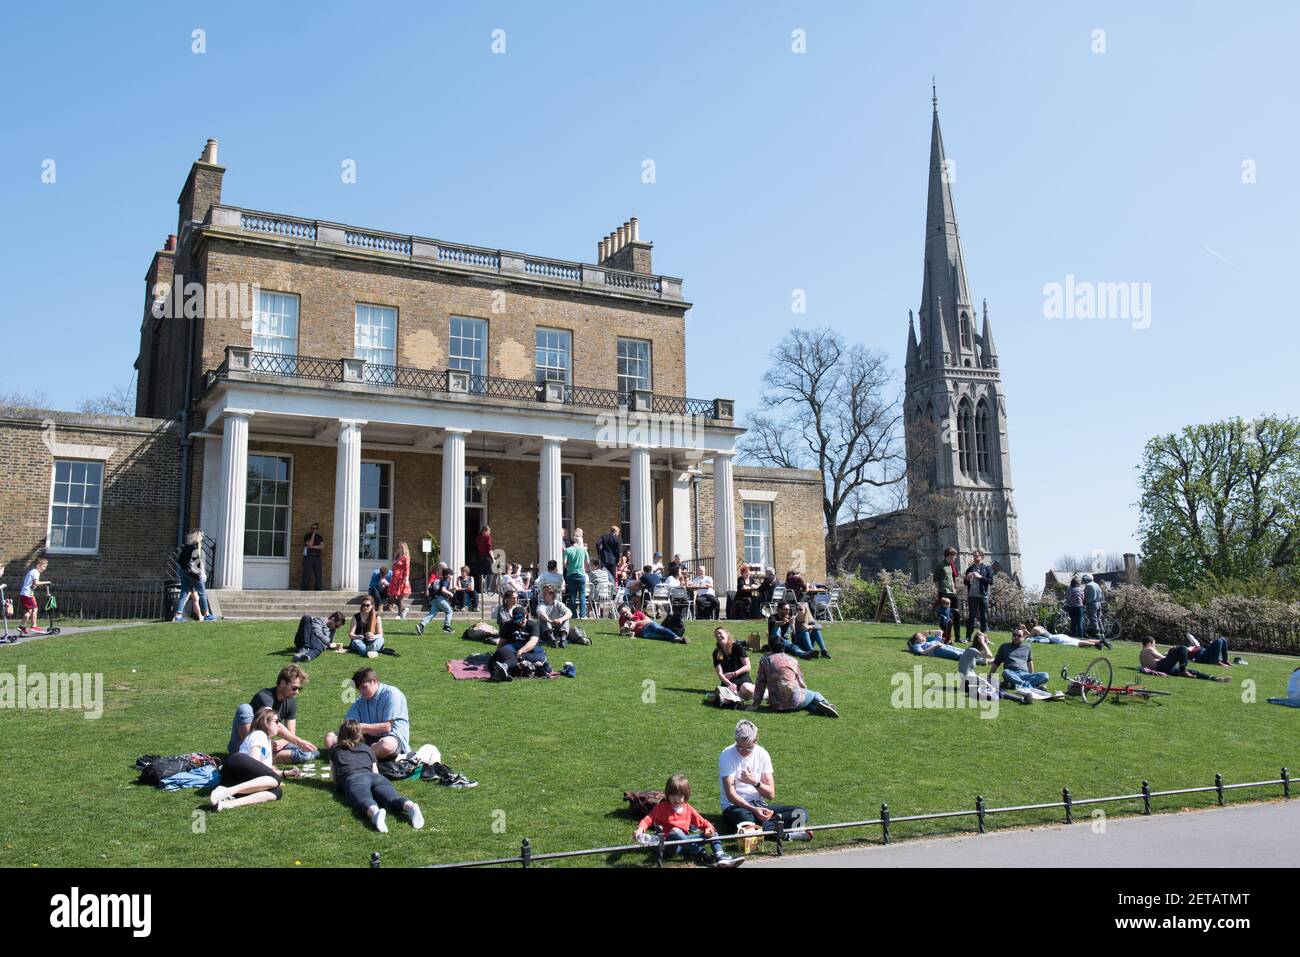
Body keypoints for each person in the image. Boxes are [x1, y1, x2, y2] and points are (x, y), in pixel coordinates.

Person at [719, 719, 813, 839]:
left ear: (756, 740)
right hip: (735, 807)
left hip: (759, 804)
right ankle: (788, 834)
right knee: (746, 819)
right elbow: (731, 795)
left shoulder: (762, 754)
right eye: (739, 747)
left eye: (748, 748)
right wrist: (753, 809)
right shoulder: (726, 755)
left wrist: (754, 782)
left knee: (800, 813)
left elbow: (770, 794)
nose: (743, 752)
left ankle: (762, 828)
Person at [329, 719, 424, 833]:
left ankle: (375, 813)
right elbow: (375, 771)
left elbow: (335, 777)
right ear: (359, 734)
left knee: (363, 799)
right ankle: (410, 806)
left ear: (341, 733)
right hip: (375, 778)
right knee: (393, 798)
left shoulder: (335, 749)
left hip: (354, 779)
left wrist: (340, 786)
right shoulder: (367, 748)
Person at [634, 773, 743, 867]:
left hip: (685, 843)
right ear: (668, 794)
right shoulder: (662, 807)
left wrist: (708, 829)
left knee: (712, 831)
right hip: (669, 846)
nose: (676, 799)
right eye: (673, 795)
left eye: (680, 795)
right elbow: (648, 819)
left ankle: (720, 855)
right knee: (676, 831)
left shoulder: (688, 808)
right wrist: (640, 830)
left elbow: (702, 822)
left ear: (685, 796)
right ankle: (702, 854)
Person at [227, 665, 319, 765]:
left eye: (299, 689)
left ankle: (266, 757)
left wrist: (283, 742)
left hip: (265, 743)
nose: (296, 692)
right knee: (244, 708)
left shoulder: (290, 702)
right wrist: (299, 741)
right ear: (283, 683)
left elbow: (291, 733)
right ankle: (248, 755)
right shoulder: (265, 696)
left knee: (312, 751)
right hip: (243, 743)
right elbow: (271, 721)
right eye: (294, 688)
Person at [210, 708, 293, 811]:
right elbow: (255, 760)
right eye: (276, 721)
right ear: (265, 723)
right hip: (236, 763)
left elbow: (264, 769)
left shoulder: (267, 740)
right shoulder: (259, 734)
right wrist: (276, 778)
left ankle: (228, 804)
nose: (279, 725)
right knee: (275, 780)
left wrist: (285, 773)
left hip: (238, 778)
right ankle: (228, 791)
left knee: (277, 792)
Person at [324, 667, 409, 760]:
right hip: (367, 739)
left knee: (386, 745)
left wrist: (360, 727)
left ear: (374, 681)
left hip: (391, 738)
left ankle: (354, 758)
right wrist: (350, 727)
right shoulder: (361, 700)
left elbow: (386, 728)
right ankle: (359, 756)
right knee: (330, 738)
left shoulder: (392, 694)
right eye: (359, 689)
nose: (361, 692)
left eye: (364, 687)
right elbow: (348, 722)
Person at [751, 632, 839, 717]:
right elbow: (801, 682)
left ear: (770, 647)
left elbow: (760, 683)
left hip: (776, 704)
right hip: (794, 701)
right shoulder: (792, 660)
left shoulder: (765, 660)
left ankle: (819, 710)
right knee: (815, 694)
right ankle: (826, 704)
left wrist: (756, 704)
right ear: (784, 647)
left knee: (807, 704)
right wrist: (803, 692)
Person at [488, 592, 552, 681]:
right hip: (512, 648)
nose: (520, 623)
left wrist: (521, 651)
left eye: (521, 620)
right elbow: (502, 642)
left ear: (526, 615)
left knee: (538, 658)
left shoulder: (532, 625)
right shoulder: (508, 625)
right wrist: (496, 654)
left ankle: (506, 667)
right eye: (517, 621)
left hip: (530, 651)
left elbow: (533, 642)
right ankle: (506, 669)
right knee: (503, 652)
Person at [1139, 636, 1230, 682]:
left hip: (1164, 669)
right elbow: (1162, 657)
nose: (1155, 646)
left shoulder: (1141, 654)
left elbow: (1148, 665)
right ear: (1149, 643)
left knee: (1192, 671)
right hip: (1161, 667)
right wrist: (1171, 652)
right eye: (1154, 644)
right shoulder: (1149, 649)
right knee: (1182, 648)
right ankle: (1183, 670)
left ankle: (1214, 678)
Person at [174, 529, 216, 622]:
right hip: (193, 574)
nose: (202, 537)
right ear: (197, 536)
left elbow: (179, 560)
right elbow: (197, 563)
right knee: (202, 593)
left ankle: (178, 615)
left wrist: (185, 569)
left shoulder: (186, 547)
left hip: (184, 572)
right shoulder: (195, 547)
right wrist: (201, 573)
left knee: (184, 594)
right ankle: (206, 614)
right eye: (201, 536)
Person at [713, 627, 754, 701]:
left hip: (742, 677)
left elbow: (748, 666)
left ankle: (735, 695)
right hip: (727, 680)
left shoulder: (737, 647)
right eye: (716, 635)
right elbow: (720, 673)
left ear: (727, 634)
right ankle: (736, 695)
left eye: (720, 633)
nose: (718, 636)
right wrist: (729, 684)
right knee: (743, 693)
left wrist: (734, 673)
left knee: (748, 690)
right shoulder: (716, 653)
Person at [618, 602, 688, 643]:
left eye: (625, 612)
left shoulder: (638, 613)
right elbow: (622, 632)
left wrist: (636, 623)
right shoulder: (622, 620)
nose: (624, 614)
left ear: (629, 609)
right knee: (659, 637)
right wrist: (626, 627)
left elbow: (648, 620)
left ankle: (676, 638)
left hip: (649, 625)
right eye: (622, 614)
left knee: (658, 629)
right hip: (643, 633)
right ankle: (679, 639)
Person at [932, 546, 962, 641]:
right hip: (944, 592)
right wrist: (940, 591)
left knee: (957, 614)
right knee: (945, 615)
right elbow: (935, 580)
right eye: (954, 555)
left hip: (952, 593)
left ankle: (958, 637)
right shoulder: (940, 565)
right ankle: (946, 636)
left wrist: (954, 589)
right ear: (949, 555)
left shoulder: (951, 566)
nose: (955, 557)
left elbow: (952, 579)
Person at [416, 563, 454, 636]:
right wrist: (450, 594)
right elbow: (443, 590)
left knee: (432, 614)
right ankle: (446, 626)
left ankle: (421, 625)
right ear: (448, 575)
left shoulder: (441, 580)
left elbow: (441, 589)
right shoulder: (446, 580)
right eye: (451, 575)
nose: (452, 576)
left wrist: (452, 590)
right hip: (440, 599)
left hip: (434, 599)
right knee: (449, 611)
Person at [908, 629, 994, 661]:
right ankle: (983, 660)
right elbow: (923, 654)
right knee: (960, 655)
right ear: (916, 640)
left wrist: (929, 632)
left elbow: (940, 632)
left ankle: (983, 658)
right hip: (938, 650)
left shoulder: (930, 641)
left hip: (944, 646)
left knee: (965, 651)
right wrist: (934, 646)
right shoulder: (917, 646)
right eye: (920, 635)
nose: (922, 635)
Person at [963, 549, 993, 641]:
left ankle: (984, 638)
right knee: (971, 616)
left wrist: (980, 577)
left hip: (983, 595)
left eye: (977, 555)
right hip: (972, 595)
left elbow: (991, 581)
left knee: (984, 616)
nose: (975, 557)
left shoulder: (987, 568)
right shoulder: (970, 569)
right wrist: (967, 578)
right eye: (974, 556)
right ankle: (968, 636)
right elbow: (965, 582)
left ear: (982, 556)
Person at [563, 529, 591, 619]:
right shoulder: (583, 550)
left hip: (571, 574)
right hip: (581, 574)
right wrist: (585, 569)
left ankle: (574, 615)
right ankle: (583, 615)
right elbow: (588, 562)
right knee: (582, 595)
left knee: (572, 595)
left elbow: (564, 562)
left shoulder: (568, 550)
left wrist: (568, 568)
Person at [1023, 618, 1104, 648]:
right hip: (1058, 636)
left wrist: (1024, 631)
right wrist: (1025, 631)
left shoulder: (1034, 628)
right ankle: (1099, 641)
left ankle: (1095, 644)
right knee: (1077, 639)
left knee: (1077, 643)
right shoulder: (1040, 627)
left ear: (1030, 625)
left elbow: (1029, 637)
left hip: (1056, 639)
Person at [19, 557, 50, 633]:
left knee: (28, 611)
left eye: (46, 566)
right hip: (27, 594)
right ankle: (34, 626)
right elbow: (36, 583)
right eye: (44, 566)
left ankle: (22, 626)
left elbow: (33, 584)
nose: (45, 568)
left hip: (24, 594)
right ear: (38, 565)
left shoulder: (32, 571)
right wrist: (46, 582)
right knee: (34, 609)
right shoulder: (36, 572)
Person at [388, 542, 412, 619]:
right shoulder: (397, 556)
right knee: (391, 596)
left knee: (400, 597)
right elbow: (394, 568)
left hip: (401, 579)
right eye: (398, 547)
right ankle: (404, 609)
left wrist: (406, 578)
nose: (398, 549)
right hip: (394, 578)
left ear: (403, 548)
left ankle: (399, 614)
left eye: (400, 547)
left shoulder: (406, 557)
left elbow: (407, 568)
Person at [301, 522, 325, 591]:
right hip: (308, 557)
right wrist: (313, 535)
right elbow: (309, 544)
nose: (313, 529)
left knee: (318, 573)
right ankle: (304, 588)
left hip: (317, 557)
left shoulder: (320, 537)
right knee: (307, 573)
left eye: (315, 528)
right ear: (310, 528)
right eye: (312, 528)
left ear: (317, 529)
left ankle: (318, 588)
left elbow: (321, 546)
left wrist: (313, 547)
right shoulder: (306, 536)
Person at [1082, 574, 1104, 638]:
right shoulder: (1096, 584)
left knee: (1093, 619)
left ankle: (1097, 634)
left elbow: (1084, 595)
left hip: (1092, 604)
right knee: (1099, 618)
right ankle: (1102, 633)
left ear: (1086, 579)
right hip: (1099, 603)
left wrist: (1083, 603)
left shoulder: (1088, 585)